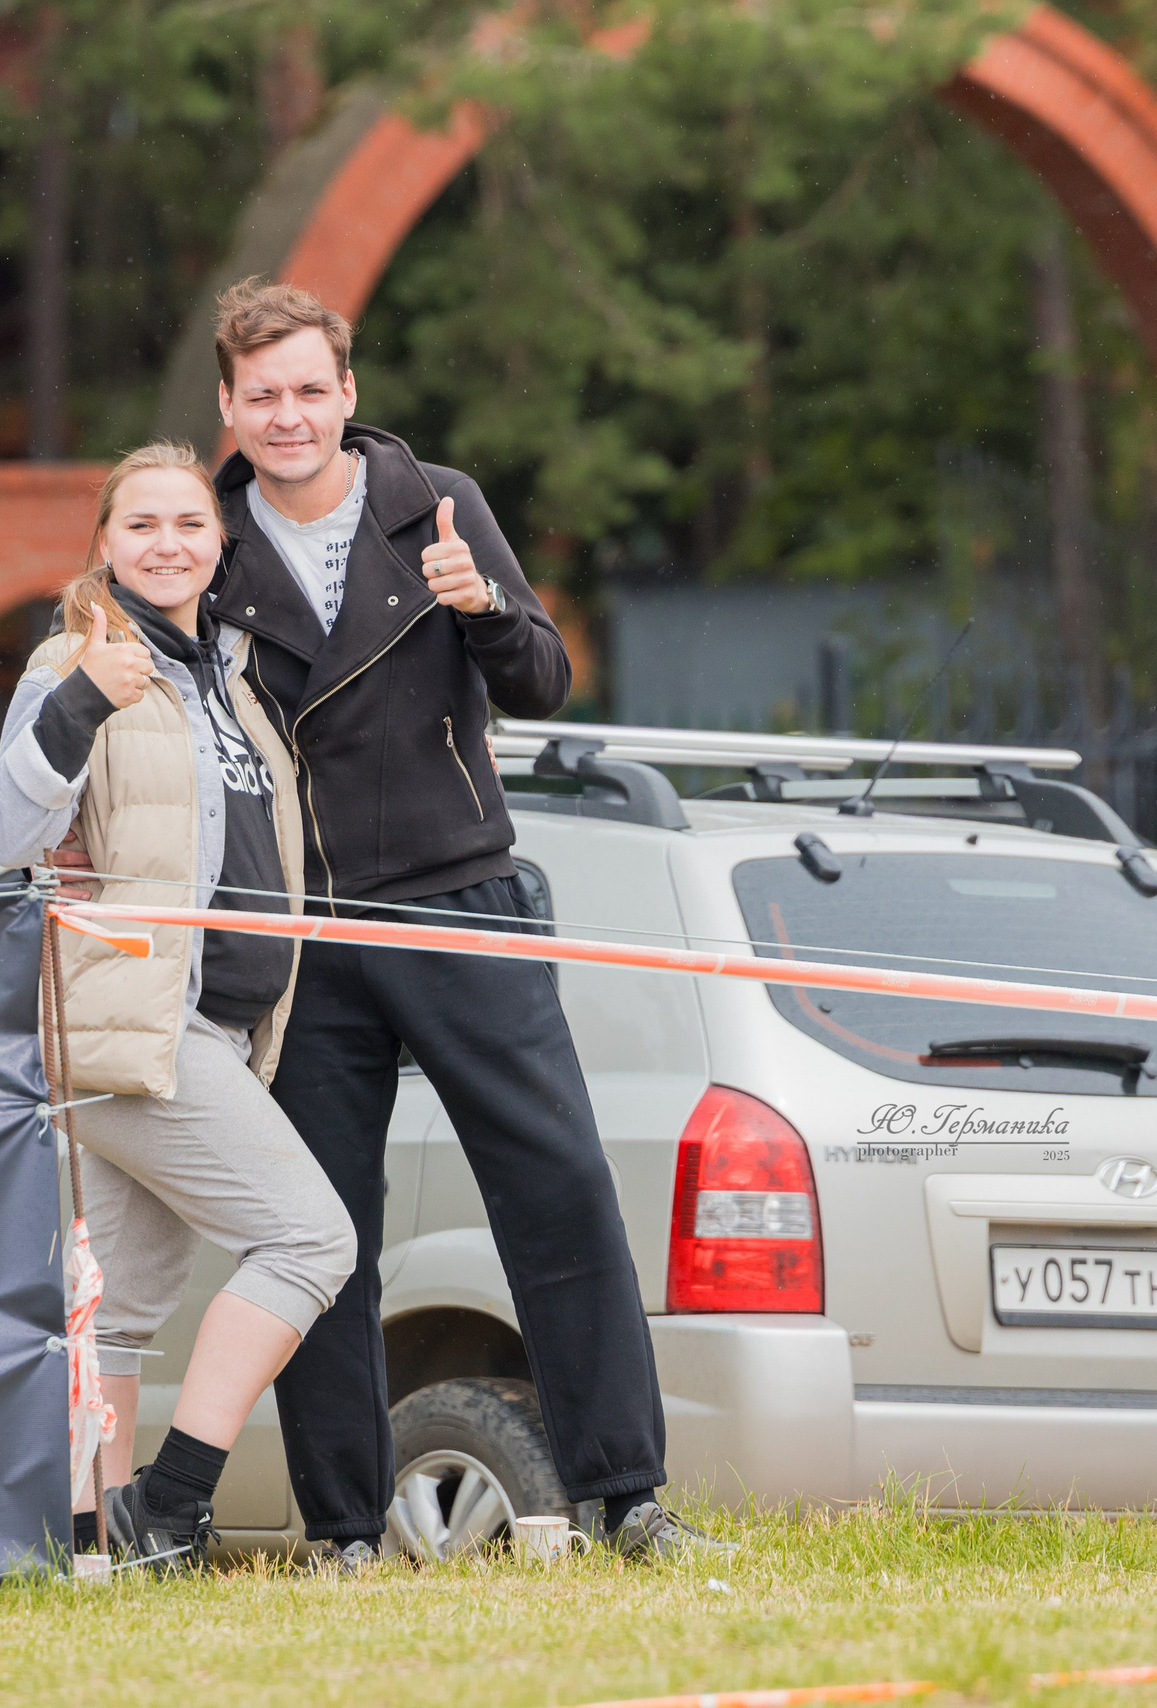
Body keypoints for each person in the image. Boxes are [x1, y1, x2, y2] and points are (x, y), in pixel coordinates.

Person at [199, 276, 699, 1562]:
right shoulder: (205, 541)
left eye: (313, 389)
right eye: (265, 396)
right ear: (229, 405)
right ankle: (342, 1529)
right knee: (320, 1234)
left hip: (461, 900)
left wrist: (480, 605)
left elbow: (542, 678)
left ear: (349, 394)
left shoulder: (439, 503)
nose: (291, 415)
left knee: (561, 1193)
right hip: (305, 934)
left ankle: (626, 1495)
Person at [0, 441, 356, 1567]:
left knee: (123, 1306)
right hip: (127, 1024)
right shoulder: (74, 661)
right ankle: (177, 1502)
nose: (167, 544)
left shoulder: (227, 681)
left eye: (188, 524)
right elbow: (3, 833)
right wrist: (83, 703)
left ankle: (99, 1544)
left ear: (217, 542)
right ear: (104, 543)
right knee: (307, 1240)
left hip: (220, 1031)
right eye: (140, 524)